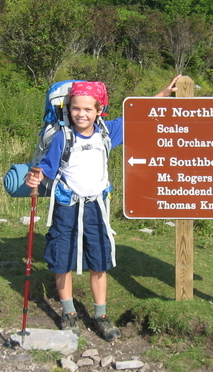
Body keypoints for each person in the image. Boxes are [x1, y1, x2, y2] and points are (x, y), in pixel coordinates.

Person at [24, 76, 180, 341]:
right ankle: (69, 312)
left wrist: (163, 93)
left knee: (99, 260)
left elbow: (137, 113)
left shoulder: (108, 132)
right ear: (67, 108)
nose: (81, 114)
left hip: (96, 207)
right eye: (75, 108)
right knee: (62, 258)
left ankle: (100, 315)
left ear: (99, 111)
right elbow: (45, 169)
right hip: (66, 205)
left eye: (88, 109)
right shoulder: (63, 137)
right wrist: (34, 177)